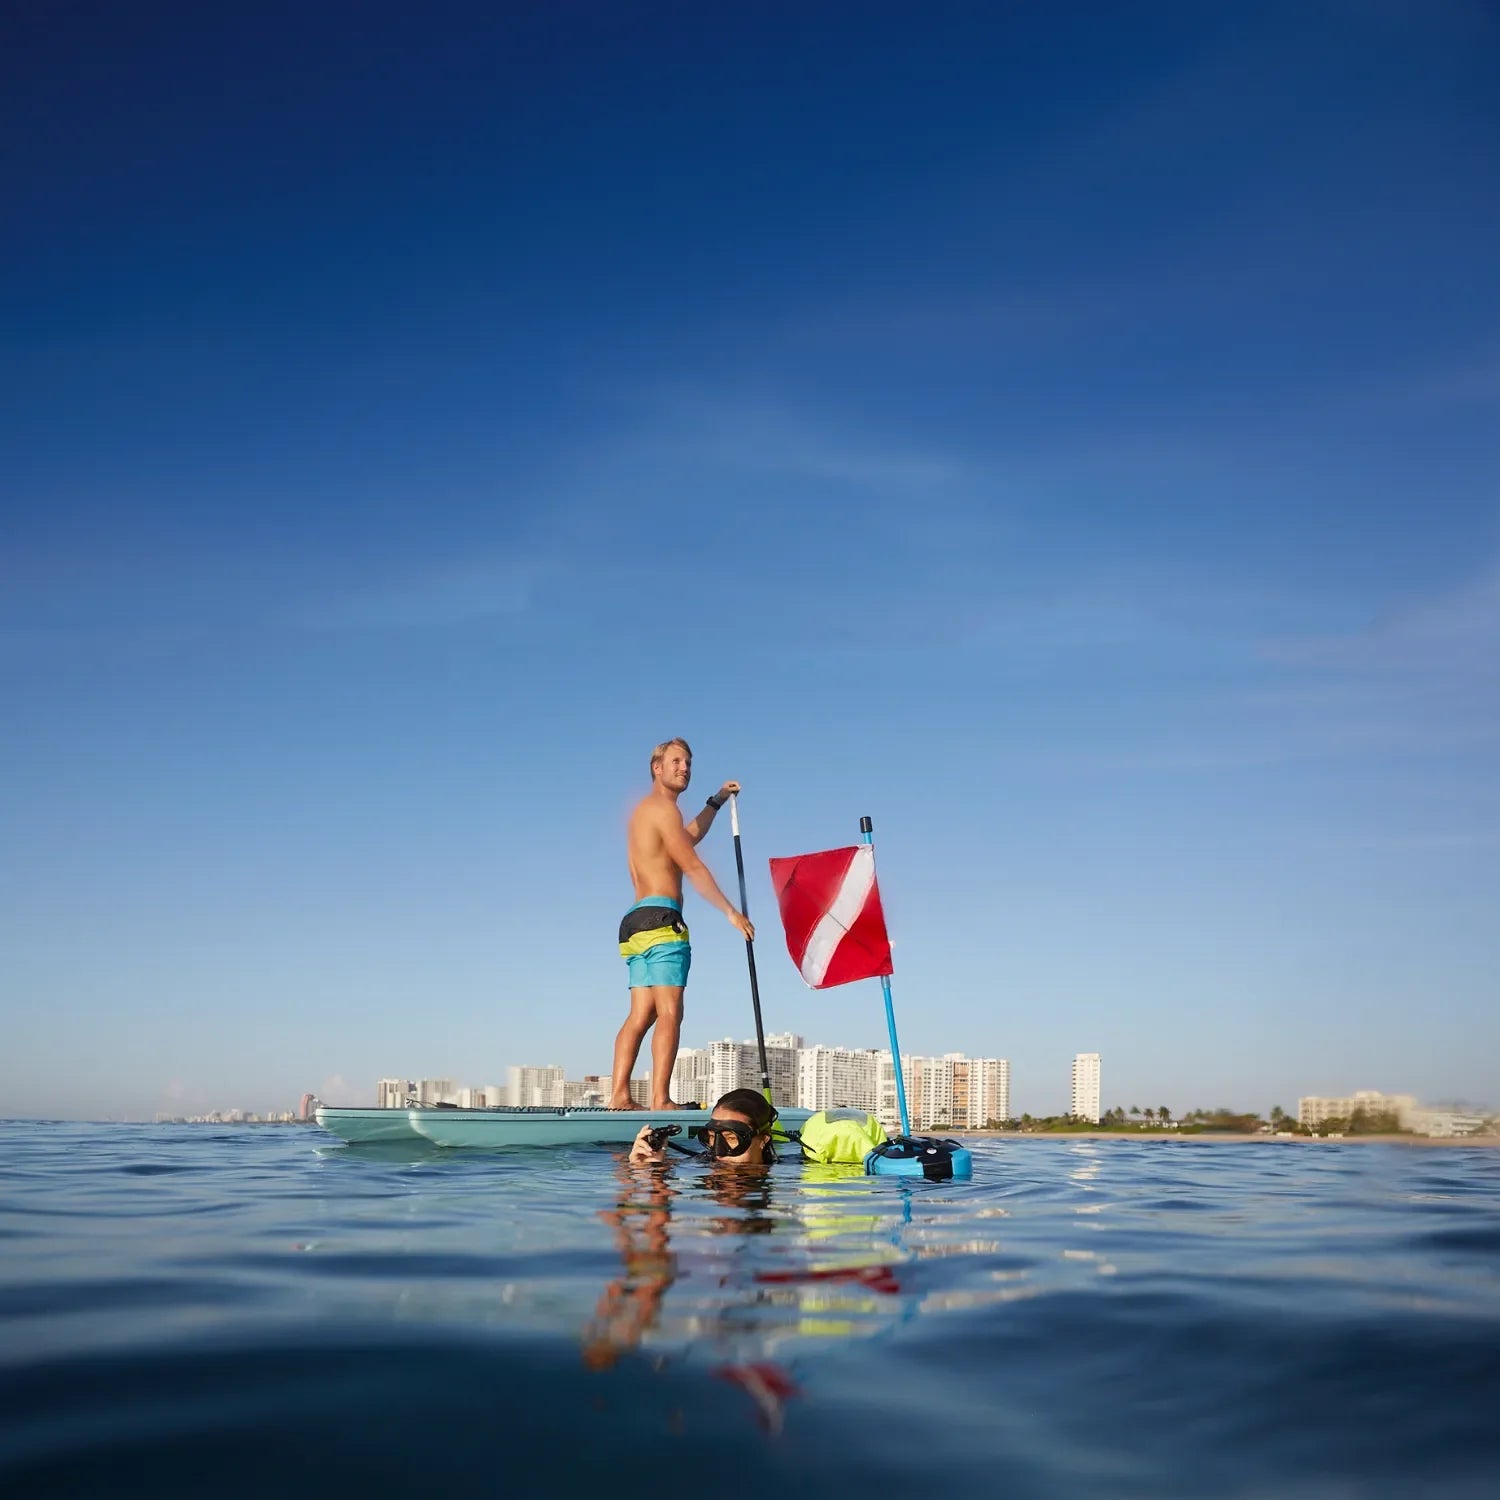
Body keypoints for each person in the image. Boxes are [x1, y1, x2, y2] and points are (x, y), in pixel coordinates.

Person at [611, 738, 754, 1110]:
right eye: (676, 761)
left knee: (640, 1014)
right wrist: (730, 912)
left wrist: (717, 800)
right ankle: (661, 1099)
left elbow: (688, 840)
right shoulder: (662, 809)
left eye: (688, 762)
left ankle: (619, 1096)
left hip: (635, 924)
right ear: (657, 768)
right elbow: (691, 865)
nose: (684, 768)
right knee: (671, 1012)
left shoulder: (647, 813)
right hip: (662, 920)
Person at [628, 1088, 778, 1166]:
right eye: (712, 1137)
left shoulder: (791, 1174)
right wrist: (649, 1167)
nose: (719, 1154)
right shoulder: (700, 1164)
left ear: (763, 1140)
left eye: (732, 1138)